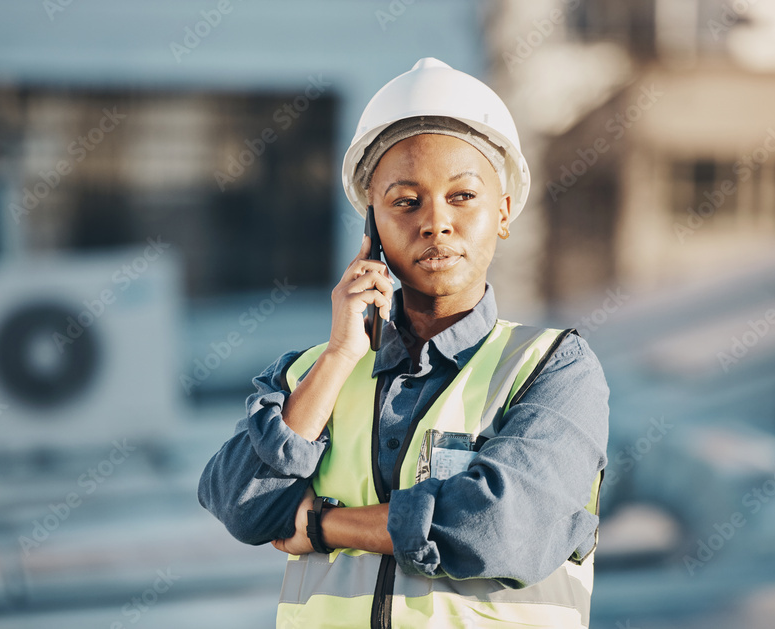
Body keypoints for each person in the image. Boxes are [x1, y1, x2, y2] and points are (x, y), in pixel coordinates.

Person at [199, 58, 609, 629]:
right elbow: (240, 504)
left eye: (462, 197)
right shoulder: (315, 373)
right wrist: (342, 355)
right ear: (372, 227)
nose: (435, 223)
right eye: (405, 201)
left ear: (504, 212)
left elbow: (499, 527)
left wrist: (322, 526)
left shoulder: (552, 367)